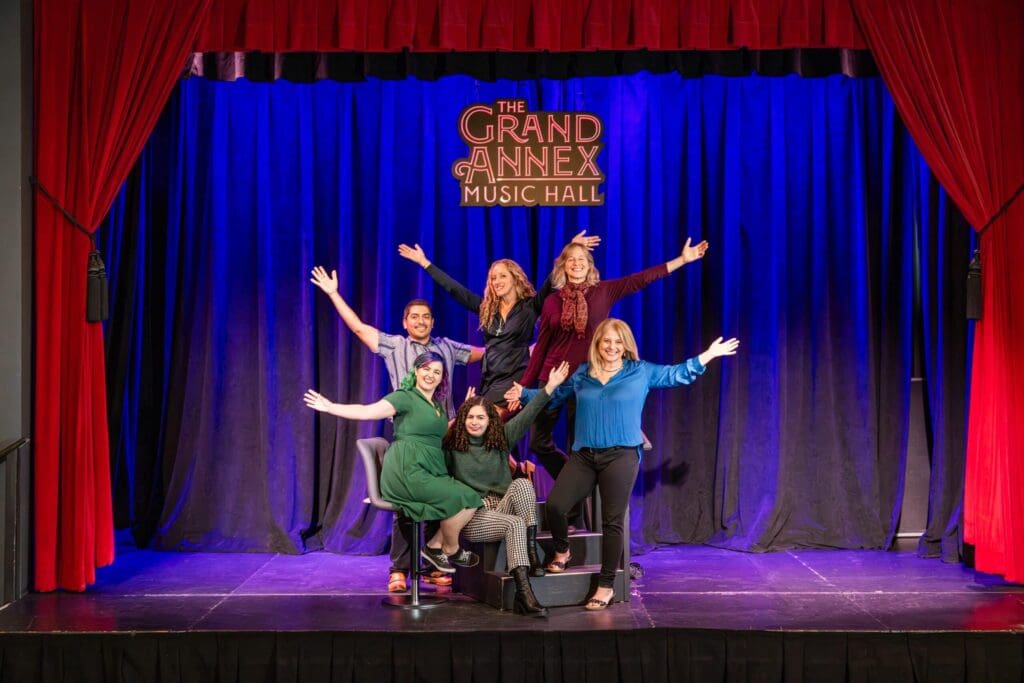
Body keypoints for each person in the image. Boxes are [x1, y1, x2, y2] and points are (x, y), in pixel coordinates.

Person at [507, 318, 739, 610]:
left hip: (622, 455)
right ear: (598, 344)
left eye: (618, 342)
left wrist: (708, 355)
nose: (612, 347)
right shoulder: (582, 375)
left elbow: (674, 375)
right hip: (584, 455)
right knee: (555, 505)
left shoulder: (639, 372)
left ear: (626, 346)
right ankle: (562, 551)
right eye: (607, 341)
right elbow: (555, 397)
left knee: (612, 521)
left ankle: (605, 585)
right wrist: (525, 394)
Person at [310, 266, 484, 590]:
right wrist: (334, 293)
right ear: (405, 322)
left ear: (433, 322)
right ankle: (400, 568)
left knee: (440, 499)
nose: (420, 321)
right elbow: (360, 329)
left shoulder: (446, 348)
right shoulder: (395, 346)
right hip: (408, 434)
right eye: (414, 317)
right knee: (408, 503)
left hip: (441, 433)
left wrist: (531, 353)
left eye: (426, 317)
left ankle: (434, 559)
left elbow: (484, 354)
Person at [516, 237, 709, 481]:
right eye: (571, 260)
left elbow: (640, 279)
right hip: (552, 379)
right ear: (562, 266)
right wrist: (523, 387)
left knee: (580, 448)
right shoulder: (552, 302)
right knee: (538, 442)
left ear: (590, 265)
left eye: (582, 260)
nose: (576, 264)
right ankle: (570, 486)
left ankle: (579, 508)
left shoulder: (603, 291)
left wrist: (682, 260)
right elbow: (542, 347)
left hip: (588, 379)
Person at [304, 352, 483, 575]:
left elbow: (437, 433)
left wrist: (464, 410)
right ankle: (449, 548)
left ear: (442, 378)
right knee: (467, 499)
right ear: (416, 371)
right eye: (426, 369)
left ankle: (436, 547)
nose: (430, 375)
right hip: (407, 470)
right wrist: (331, 407)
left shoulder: (436, 404)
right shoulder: (404, 397)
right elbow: (367, 411)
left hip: (430, 469)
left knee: (471, 498)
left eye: (437, 372)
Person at [397, 230, 599, 410]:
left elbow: (552, 279)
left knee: (485, 423)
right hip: (490, 380)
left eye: (502, 276)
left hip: (516, 378)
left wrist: (570, 250)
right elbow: (455, 290)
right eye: (493, 278)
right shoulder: (487, 310)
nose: (497, 282)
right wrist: (425, 263)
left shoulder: (530, 306)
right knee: (490, 434)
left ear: (514, 278)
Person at [443, 361, 572, 617]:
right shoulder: (453, 447)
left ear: (491, 420)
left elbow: (528, 414)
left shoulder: (500, 439)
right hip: (475, 516)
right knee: (514, 524)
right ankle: (525, 595)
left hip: (501, 505)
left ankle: (532, 553)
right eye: (470, 417)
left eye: (481, 417)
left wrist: (550, 387)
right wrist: (457, 415)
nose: (475, 422)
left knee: (522, 483)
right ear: (463, 419)